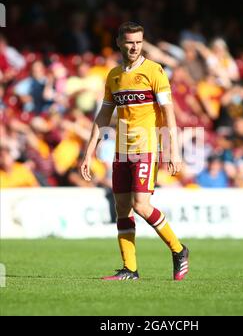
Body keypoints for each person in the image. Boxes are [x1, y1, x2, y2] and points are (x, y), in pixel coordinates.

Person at [80, 22, 189, 281]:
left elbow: (168, 113)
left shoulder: (154, 71)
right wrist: (88, 152)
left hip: (146, 147)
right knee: (122, 208)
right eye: (129, 42)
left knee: (141, 205)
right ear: (119, 42)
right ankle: (130, 269)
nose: (134, 47)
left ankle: (179, 250)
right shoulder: (114, 75)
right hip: (122, 150)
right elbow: (103, 115)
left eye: (138, 42)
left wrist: (174, 151)